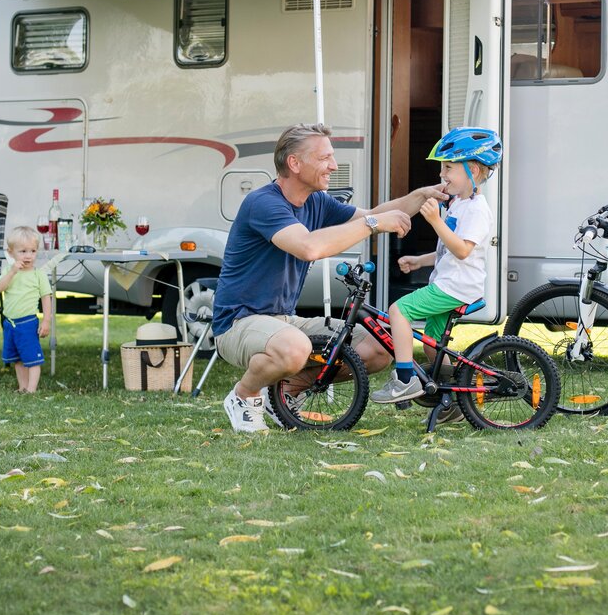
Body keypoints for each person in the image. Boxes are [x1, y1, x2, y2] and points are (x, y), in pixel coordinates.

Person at [211, 122, 449, 432]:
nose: (333, 166)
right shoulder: (264, 203)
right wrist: (376, 223)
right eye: (324, 158)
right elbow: (308, 248)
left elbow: (372, 213)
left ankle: (285, 395)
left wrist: (423, 195)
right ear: (295, 163)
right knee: (294, 348)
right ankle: (244, 396)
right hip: (238, 323)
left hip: (283, 320)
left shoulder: (315, 202)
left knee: (380, 346)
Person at [373, 128, 501, 404]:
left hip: (455, 288)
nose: (442, 174)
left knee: (399, 310)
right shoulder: (459, 204)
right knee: (433, 346)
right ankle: (455, 397)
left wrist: (435, 221)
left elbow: (463, 250)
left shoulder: (478, 210)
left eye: (449, 167)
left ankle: (405, 380)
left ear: (474, 171)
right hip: (448, 284)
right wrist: (419, 260)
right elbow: (447, 249)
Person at [0, 225, 53, 394]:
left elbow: (46, 297)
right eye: (23, 251)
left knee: (32, 358)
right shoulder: (8, 271)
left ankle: (32, 389)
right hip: (10, 323)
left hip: (28, 322)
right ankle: (23, 387)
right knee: (18, 359)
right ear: (11, 252)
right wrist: (12, 271)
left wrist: (46, 320)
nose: (28, 256)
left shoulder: (38, 275)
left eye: (33, 251)